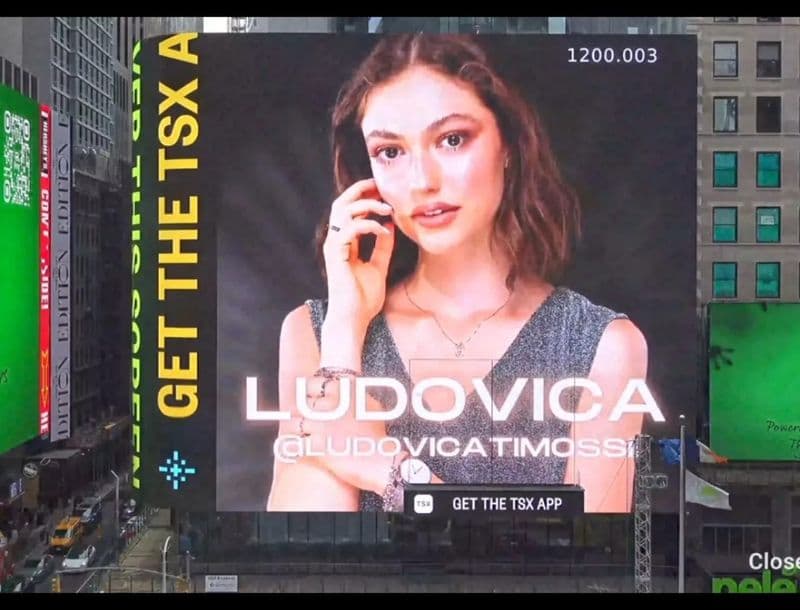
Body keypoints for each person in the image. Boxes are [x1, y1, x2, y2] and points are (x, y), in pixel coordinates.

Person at [266, 34, 648, 514]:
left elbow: (590, 561)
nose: (422, 180)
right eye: (390, 152)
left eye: (451, 140)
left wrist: (389, 470)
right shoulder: (315, 333)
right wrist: (347, 324)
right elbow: (303, 553)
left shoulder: (599, 344)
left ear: (509, 144)